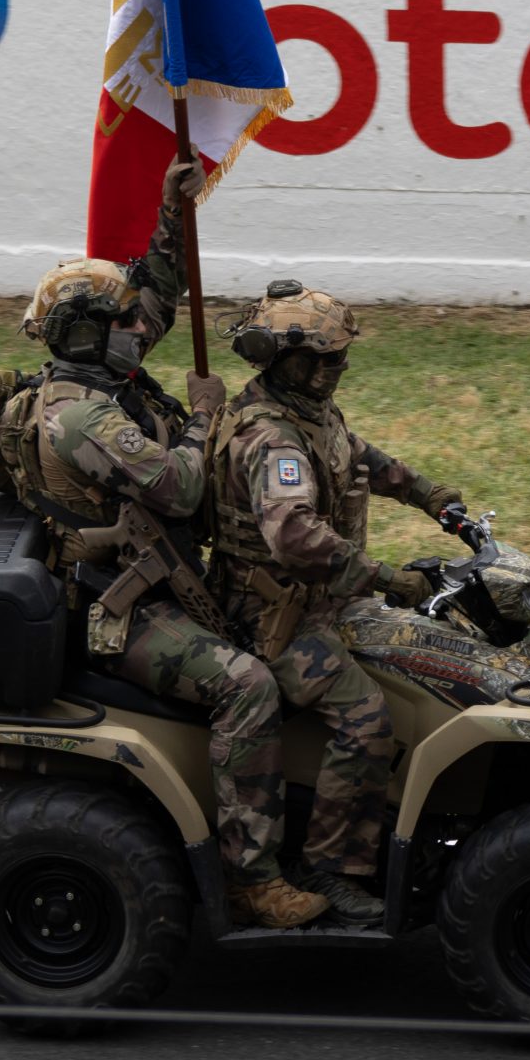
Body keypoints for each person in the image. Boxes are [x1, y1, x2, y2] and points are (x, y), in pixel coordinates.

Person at [0, 164, 327, 930]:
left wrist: (172, 210)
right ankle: (253, 874)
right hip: (128, 609)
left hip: (165, 580)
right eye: (122, 323)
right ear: (83, 332)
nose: (140, 329)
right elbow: (178, 488)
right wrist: (203, 417)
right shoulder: (80, 417)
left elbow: (158, 296)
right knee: (247, 683)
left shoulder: (108, 379)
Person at [208, 281, 465, 926]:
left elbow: (357, 457)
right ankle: (330, 867)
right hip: (271, 619)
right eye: (320, 359)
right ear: (279, 358)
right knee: (369, 717)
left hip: (318, 605)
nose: (333, 370)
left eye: (339, 359)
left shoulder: (308, 410)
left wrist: (432, 497)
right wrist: (384, 577)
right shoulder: (273, 439)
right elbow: (293, 536)